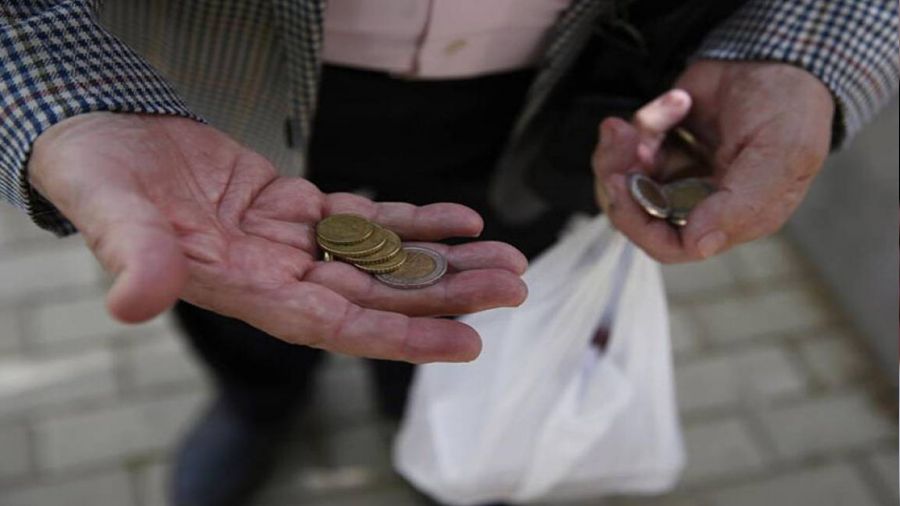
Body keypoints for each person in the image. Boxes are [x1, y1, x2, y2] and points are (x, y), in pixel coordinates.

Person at [1, 1, 897, 505]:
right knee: (228, 281)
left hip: (563, 86)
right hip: (198, 87)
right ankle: (257, 399)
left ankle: (423, 416)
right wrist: (56, 95)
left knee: (476, 290)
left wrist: (800, 48)